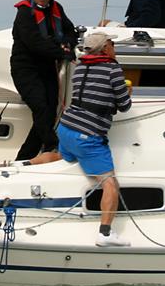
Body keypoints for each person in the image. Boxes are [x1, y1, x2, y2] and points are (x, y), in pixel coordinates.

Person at [31, 31, 132, 247]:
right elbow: (124, 105)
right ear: (105, 48)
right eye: (112, 43)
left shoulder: (80, 67)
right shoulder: (113, 69)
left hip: (67, 128)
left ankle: (23, 165)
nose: (114, 46)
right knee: (110, 184)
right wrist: (126, 91)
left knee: (60, 156)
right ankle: (105, 234)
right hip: (87, 136)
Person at [10, 0, 78, 161]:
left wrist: (68, 44)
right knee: (40, 106)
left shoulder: (57, 8)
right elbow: (34, 43)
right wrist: (61, 53)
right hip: (25, 67)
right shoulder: (24, 13)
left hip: (47, 66)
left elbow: (71, 32)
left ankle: (25, 157)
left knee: (50, 109)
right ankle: (52, 145)